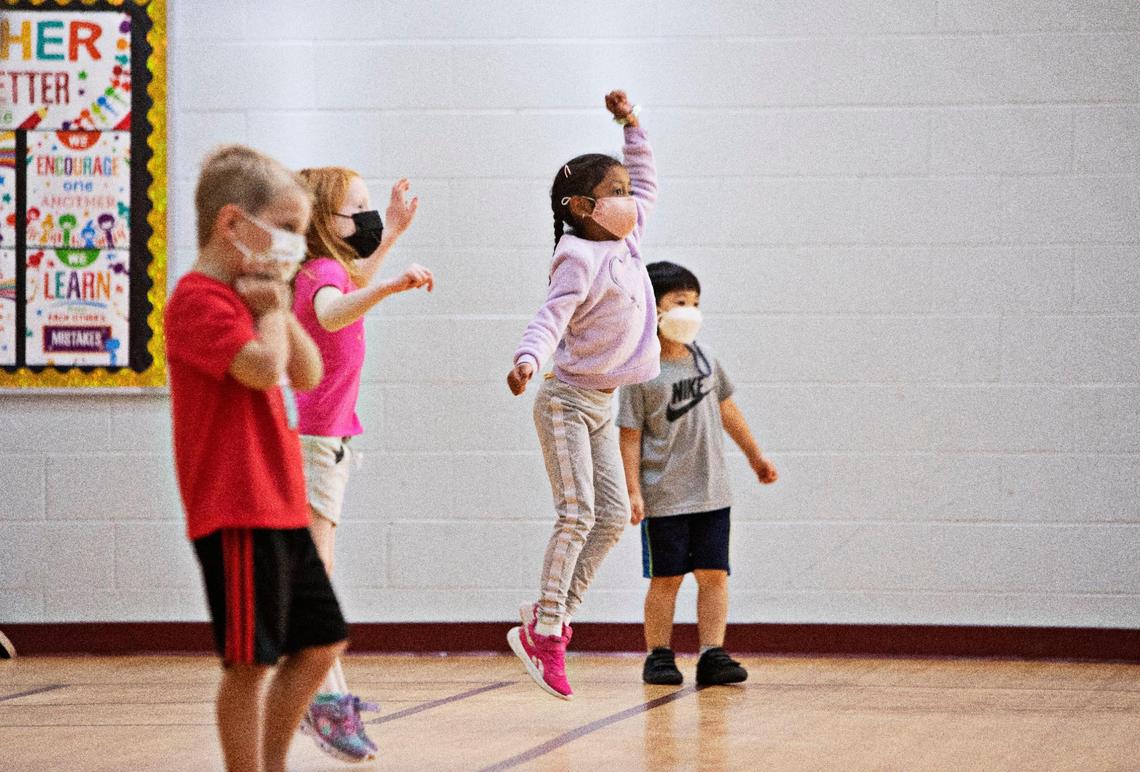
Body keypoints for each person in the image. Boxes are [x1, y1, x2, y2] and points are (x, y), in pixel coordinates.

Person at [165, 144, 348, 772]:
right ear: (233, 224)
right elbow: (261, 368)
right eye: (288, 228)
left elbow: (307, 371)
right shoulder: (197, 300)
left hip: (280, 504)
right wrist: (270, 309)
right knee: (249, 663)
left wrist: (275, 302)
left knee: (322, 641)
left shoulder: (257, 298)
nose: (298, 243)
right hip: (235, 506)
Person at [505, 90, 659, 700]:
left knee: (614, 517)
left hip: (603, 403)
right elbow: (550, 316)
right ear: (581, 206)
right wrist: (527, 359)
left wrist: (631, 124)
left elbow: (647, 179)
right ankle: (547, 634)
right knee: (576, 514)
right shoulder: (577, 256)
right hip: (566, 401)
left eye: (626, 189)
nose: (628, 199)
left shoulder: (628, 240)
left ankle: (551, 616)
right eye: (614, 192)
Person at [290, 166, 433, 761]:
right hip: (314, 443)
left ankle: (320, 699)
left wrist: (393, 233)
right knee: (314, 579)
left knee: (311, 577)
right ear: (323, 222)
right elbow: (332, 312)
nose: (370, 218)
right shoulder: (321, 275)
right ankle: (321, 702)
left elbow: (348, 285)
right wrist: (392, 286)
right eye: (360, 210)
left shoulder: (324, 269)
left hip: (324, 440)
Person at [617, 261, 778, 686]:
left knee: (714, 575)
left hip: (712, 494)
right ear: (652, 309)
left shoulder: (705, 359)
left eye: (695, 302)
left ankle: (712, 652)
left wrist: (755, 456)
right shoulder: (640, 370)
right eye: (679, 302)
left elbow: (728, 410)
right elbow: (629, 435)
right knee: (665, 579)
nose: (690, 310)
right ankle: (659, 654)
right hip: (664, 496)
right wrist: (633, 490)